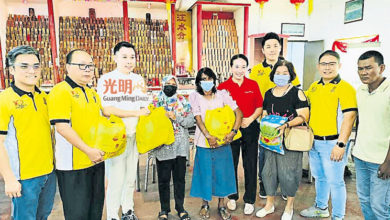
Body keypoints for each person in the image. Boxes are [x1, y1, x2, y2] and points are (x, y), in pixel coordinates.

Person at [48, 49, 105, 220]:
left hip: (95, 161)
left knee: (95, 210)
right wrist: (88, 150)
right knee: (77, 214)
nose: (88, 69)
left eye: (90, 66)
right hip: (73, 165)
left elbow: (102, 118)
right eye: (82, 65)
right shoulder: (60, 91)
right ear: (67, 67)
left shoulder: (92, 93)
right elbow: (62, 127)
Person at [0, 45, 56, 220]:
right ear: (11, 70)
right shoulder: (5, 100)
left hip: (48, 173)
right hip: (24, 178)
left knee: (42, 216)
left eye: (36, 66)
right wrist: (9, 178)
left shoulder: (44, 98)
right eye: (24, 66)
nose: (32, 71)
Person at [300, 50, 357, 220]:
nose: (327, 68)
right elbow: (302, 101)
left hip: (333, 143)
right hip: (314, 142)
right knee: (320, 177)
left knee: (336, 182)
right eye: (324, 64)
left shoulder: (345, 88)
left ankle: (338, 216)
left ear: (339, 66)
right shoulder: (314, 86)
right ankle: (321, 207)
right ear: (318, 67)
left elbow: (350, 117)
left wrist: (341, 144)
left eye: (332, 64)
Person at [96, 41, 149, 220]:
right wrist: (136, 112)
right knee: (116, 179)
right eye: (124, 57)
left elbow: (145, 105)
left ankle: (128, 210)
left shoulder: (138, 80)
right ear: (115, 58)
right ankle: (112, 215)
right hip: (116, 138)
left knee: (130, 178)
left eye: (132, 57)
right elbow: (107, 109)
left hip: (134, 136)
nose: (129, 61)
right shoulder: (106, 80)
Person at [255, 60, 309, 220]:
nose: (281, 76)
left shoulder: (297, 93)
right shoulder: (269, 93)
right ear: (273, 75)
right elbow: (264, 112)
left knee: (289, 174)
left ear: (291, 75)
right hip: (270, 140)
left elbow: (304, 116)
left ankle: (289, 206)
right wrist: (265, 123)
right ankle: (269, 204)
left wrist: (286, 125)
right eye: (278, 73)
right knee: (268, 172)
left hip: (289, 139)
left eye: (285, 73)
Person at [249, 32, 300, 199]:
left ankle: (285, 186)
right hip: (264, 120)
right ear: (263, 50)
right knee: (265, 153)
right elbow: (254, 95)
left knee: (285, 154)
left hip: (286, 120)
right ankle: (265, 184)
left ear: (280, 48)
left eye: (275, 46)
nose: (272, 50)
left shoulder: (289, 67)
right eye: (268, 47)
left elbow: (296, 91)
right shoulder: (256, 70)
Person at [189, 67, 243, 220]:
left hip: (223, 142)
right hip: (203, 142)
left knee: (222, 173)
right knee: (204, 173)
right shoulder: (194, 96)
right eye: (203, 80)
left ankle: (222, 205)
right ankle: (205, 204)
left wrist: (233, 132)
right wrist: (207, 136)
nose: (206, 83)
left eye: (209, 79)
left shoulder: (222, 95)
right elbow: (198, 117)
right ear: (198, 82)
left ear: (214, 80)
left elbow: (238, 112)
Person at [218, 54, 263, 215]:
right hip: (230, 131)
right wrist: (232, 127)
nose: (240, 70)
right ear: (231, 68)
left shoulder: (253, 84)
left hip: (250, 128)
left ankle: (250, 200)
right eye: (236, 66)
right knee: (231, 164)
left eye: (243, 67)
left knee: (250, 164)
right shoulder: (223, 87)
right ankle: (232, 196)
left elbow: (259, 106)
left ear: (247, 68)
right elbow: (219, 110)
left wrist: (250, 119)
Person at [352, 50, 390, 219]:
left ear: (381, 68)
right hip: (360, 157)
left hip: (381, 161)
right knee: (365, 201)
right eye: (360, 68)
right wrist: (356, 146)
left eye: (368, 67)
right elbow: (361, 120)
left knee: (380, 206)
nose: (363, 72)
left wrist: (388, 162)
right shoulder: (360, 90)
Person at [151, 75, 194, 220]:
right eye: (167, 83)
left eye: (173, 83)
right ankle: (164, 210)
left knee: (179, 179)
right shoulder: (155, 102)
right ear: (162, 84)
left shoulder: (183, 101)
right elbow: (150, 124)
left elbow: (190, 122)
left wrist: (176, 117)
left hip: (180, 147)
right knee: (163, 180)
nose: (170, 86)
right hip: (162, 147)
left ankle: (180, 207)